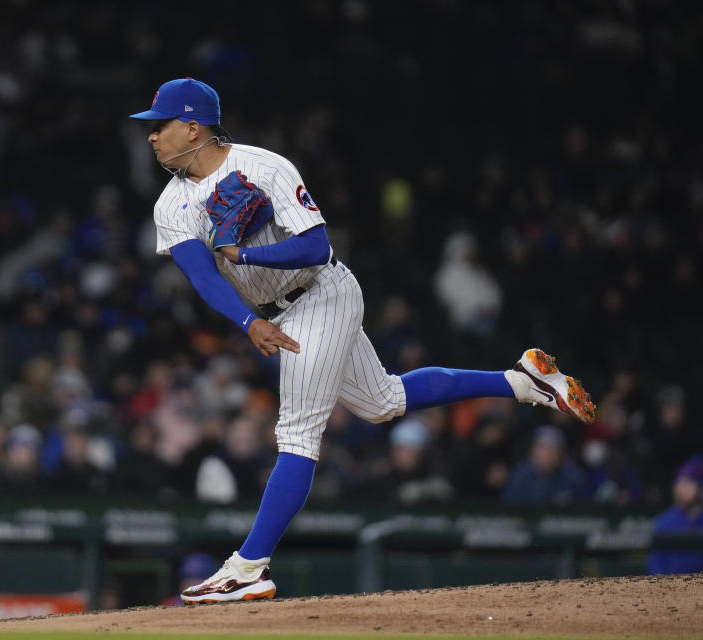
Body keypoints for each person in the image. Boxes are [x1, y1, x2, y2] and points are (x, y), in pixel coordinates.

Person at [129, 77, 596, 604]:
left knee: (299, 433)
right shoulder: (170, 204)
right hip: (273, 311)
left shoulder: (265, 168)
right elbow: (202, 276)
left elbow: (314, 245)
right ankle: (522, 380)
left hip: (322, 292)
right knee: (384, 401)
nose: (151, 137)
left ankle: (249, 566)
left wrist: (246, 254)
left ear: (193, 127)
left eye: (160, 126)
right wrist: (246, 322)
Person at [501, 425, 588, 505]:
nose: (544, 455)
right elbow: (509, 510)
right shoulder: (520, 474)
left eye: (550, 449)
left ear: (561, 454)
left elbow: (584, 511)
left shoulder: (573, 476)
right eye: (540, 448)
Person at [647, 455, 703, 575]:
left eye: (687, 483)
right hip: (671, 589)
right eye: (679, 483)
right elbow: (655, 567)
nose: (681, 489)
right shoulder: (664, 521)